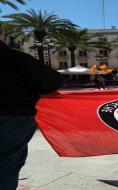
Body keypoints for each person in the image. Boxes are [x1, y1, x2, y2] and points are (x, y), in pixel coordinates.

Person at [0, 24, 63, 190]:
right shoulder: (16, 58)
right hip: (11, 118)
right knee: (6, 165)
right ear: (2, 35)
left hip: (13, 118)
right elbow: (51, 82)